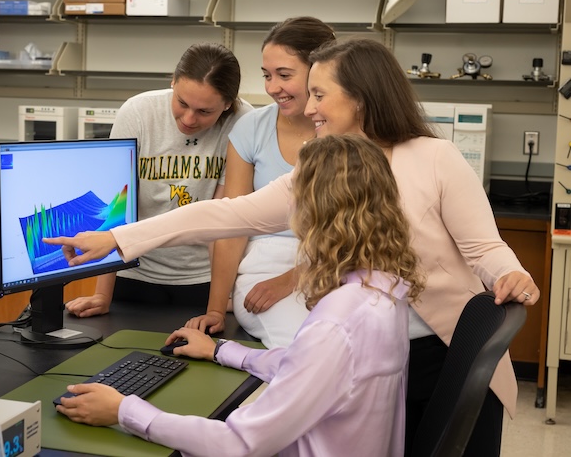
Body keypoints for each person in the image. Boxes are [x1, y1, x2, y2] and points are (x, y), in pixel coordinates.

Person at [44, 38, 541, 457]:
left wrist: (508, 274)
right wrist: (117, 237)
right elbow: (230, 213)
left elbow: (484, 249)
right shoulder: (327, 168)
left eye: (320, 93)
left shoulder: (433, 157)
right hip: (381, 357)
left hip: (443, 351)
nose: (308, 107)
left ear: (362, 98)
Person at [54, 135, 426, 456]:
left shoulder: (337, 322)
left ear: (315, 208)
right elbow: (311, 370)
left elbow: (239, 444)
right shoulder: (382, 288)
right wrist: (221, 351)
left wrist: (123, 411)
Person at [64, 43, 252, 318]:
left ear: (226, 104)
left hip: (205, 280)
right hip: (134, 272)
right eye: (182, 103)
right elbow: (118, 205)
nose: (189, 119)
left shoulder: (243, 122)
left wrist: (219, 301)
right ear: (173, 82)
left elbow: (222, 221)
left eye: (204, 112)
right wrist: (102, 294)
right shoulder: (138, 112)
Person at [186, 17, 335, 348]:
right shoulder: (251, 129)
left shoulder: (346, 130)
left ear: (320, 71)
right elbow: (232, 224)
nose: (272, 87)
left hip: (337, 263)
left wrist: (292, 279)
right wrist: (215, 309)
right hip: (265, 263)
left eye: (284, 75)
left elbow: (360, 229)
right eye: (267, 75)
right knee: (307, 345)